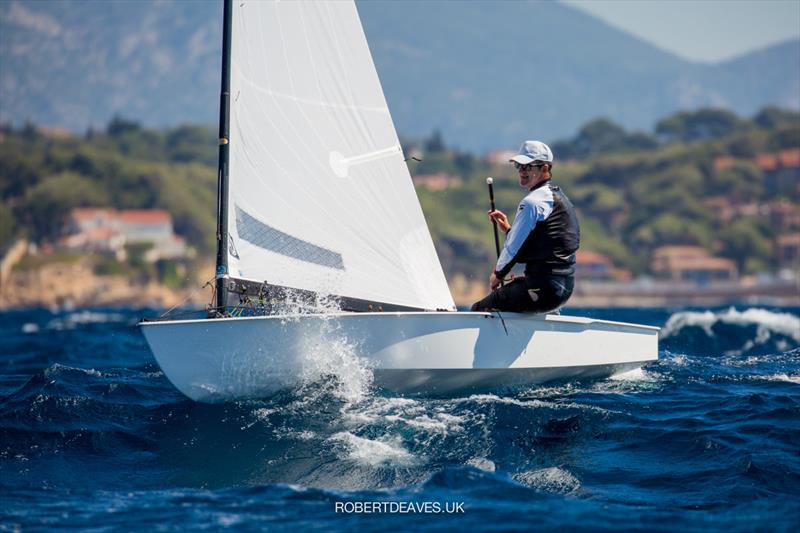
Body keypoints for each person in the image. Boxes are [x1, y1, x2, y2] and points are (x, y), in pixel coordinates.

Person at [471, 140, 580, 313]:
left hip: (543, 289)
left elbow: (513, 249)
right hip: (561, 289)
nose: (521, 171)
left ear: (545, 168)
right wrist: (509, 230)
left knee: (479, 309)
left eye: (528, 166)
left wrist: (497, 275)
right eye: (518, 166)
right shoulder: (558, 197)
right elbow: (537, 247)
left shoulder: (531, 202)